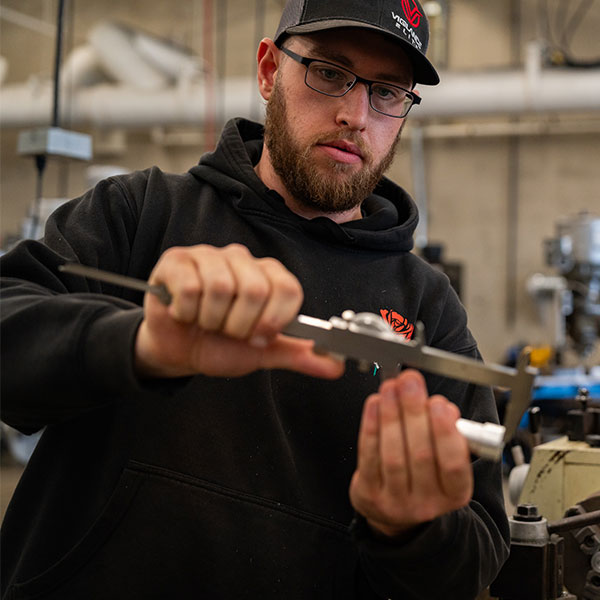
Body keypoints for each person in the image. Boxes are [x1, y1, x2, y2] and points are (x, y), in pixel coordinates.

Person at [0, 0, 510, 598]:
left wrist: (410, 530)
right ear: (269, 71)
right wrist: (140, 343)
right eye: (328, 73)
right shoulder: (141, 213)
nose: (354, 114)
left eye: (388, 92)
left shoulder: (428, 305)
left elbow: (478, 554)